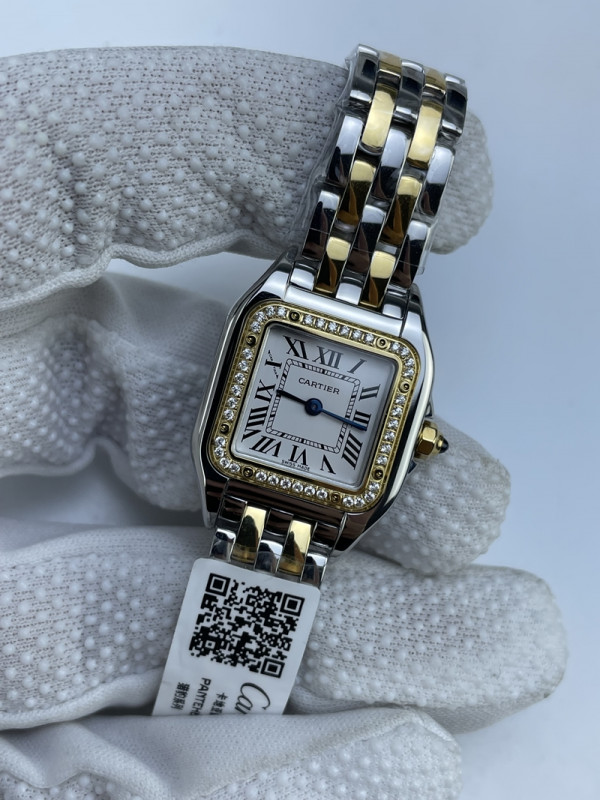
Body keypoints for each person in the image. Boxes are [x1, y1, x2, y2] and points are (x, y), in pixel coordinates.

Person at [0, 45, 566, 799]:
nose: (315, 406)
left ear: (409, 434)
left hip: (300, 512)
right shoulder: (283, 324)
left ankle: (211, 725)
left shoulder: (391, 364)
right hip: (252, 489)